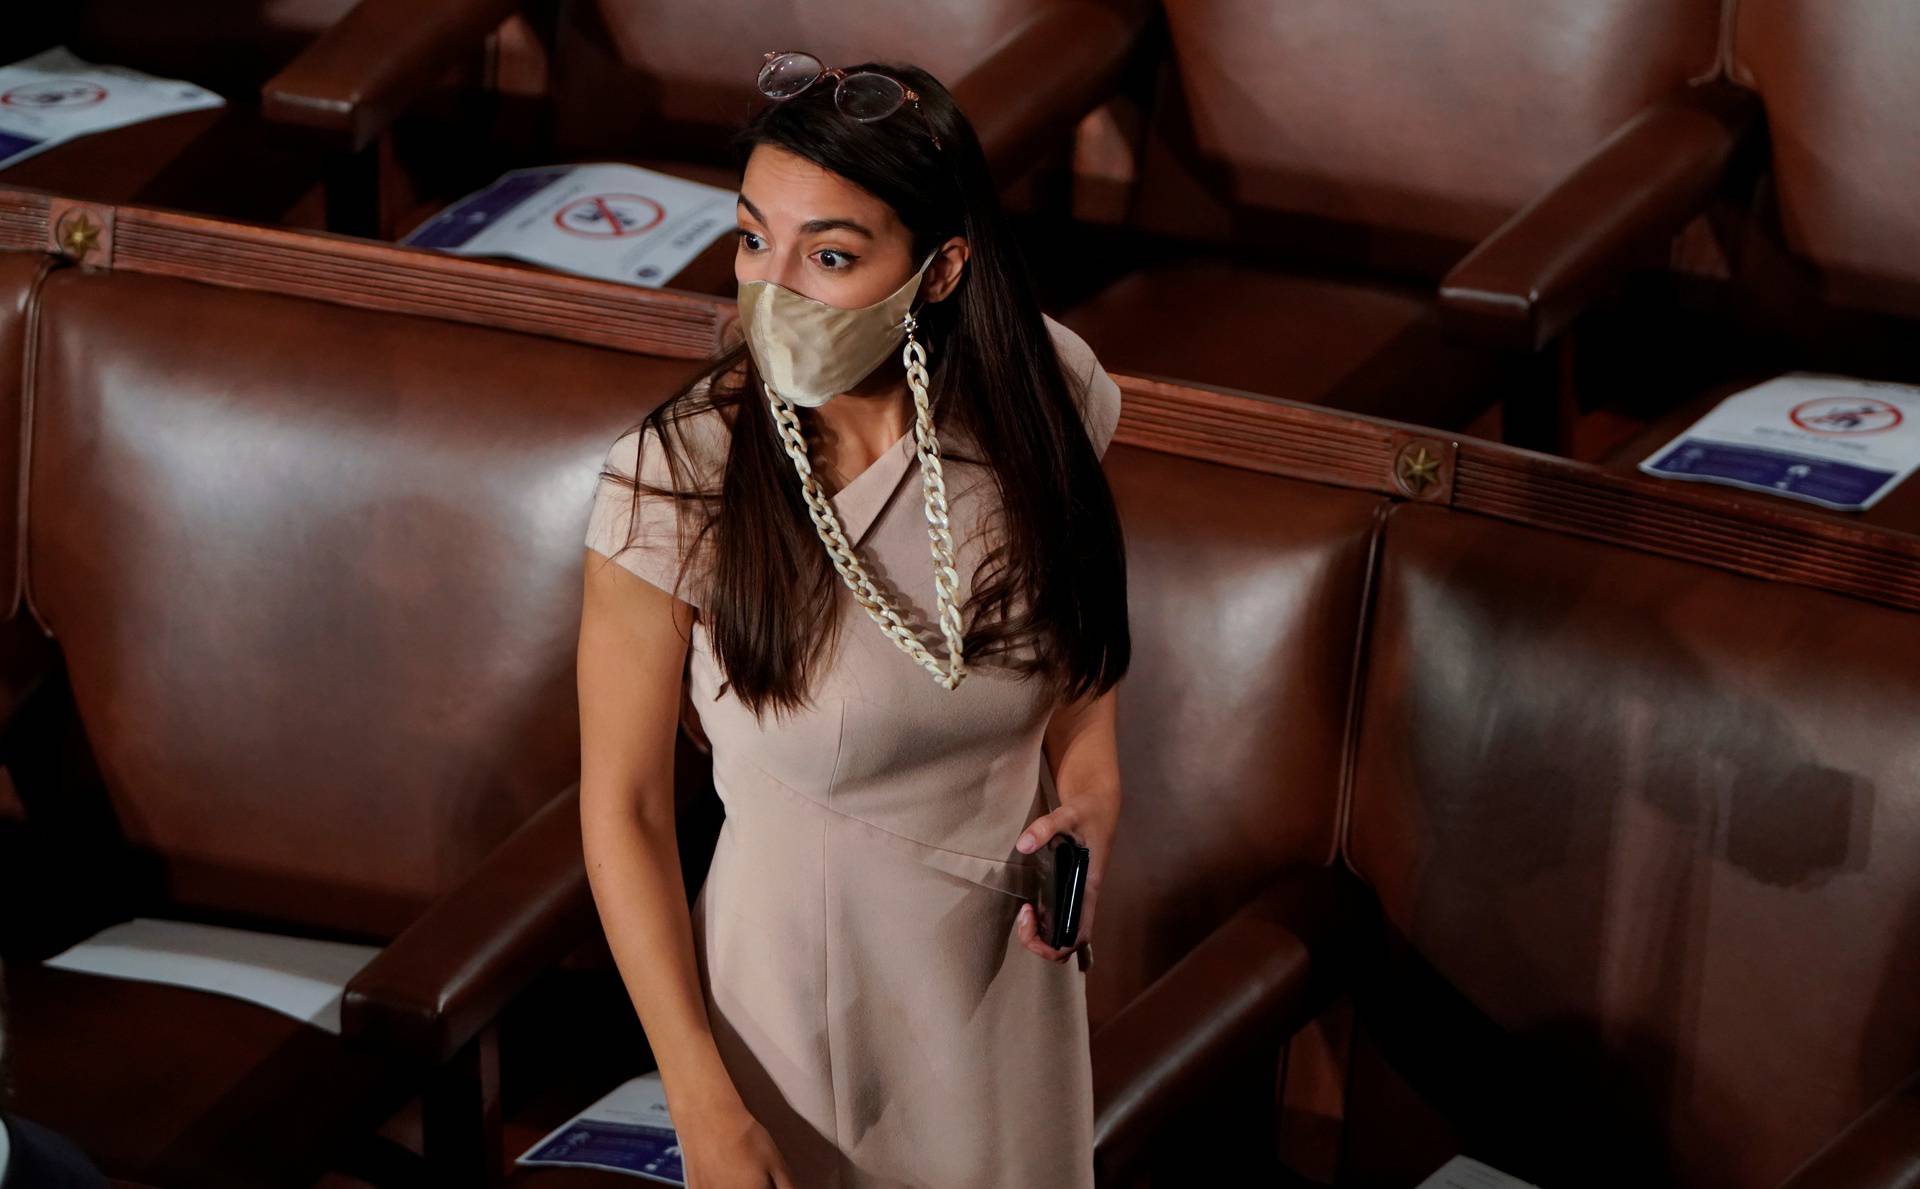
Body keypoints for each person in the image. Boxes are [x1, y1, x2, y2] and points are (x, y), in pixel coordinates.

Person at [577, 50, 1128, 1188]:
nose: (773, 285)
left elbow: (1072, 636)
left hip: (1004, 991)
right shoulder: (673, 473)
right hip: (797, 1004)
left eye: (829, 255)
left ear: (939, 270)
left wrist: (1097, 786)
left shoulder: (1050, 391)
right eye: (751, 239)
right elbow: (624, 809)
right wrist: (703, 1106)